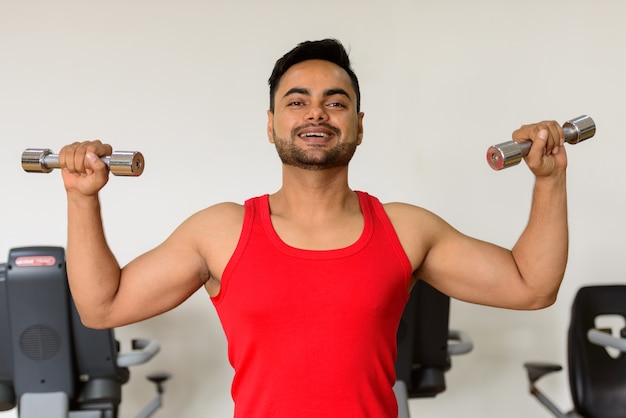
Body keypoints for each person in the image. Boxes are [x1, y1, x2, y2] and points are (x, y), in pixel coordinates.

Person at [58, 39, 568, 417]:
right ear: (272, 122)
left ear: (359, 124)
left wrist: (550, 180)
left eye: (336, 101)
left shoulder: (405, 229)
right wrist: (82, 199)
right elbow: (103, 306)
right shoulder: (221, 232)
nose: (316, 113)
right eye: (297, 101)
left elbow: (531, 285)